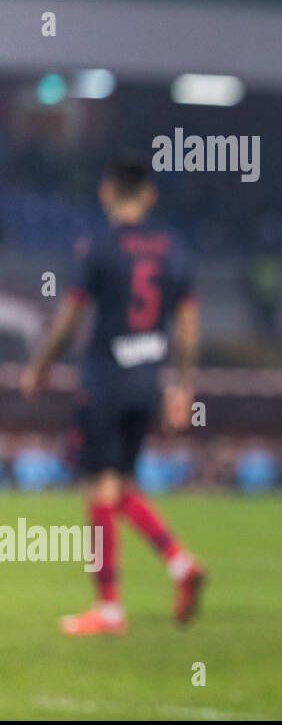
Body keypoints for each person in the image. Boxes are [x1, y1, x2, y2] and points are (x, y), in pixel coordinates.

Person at [22, 157, 204, 635]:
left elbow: (72, 315)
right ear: (149, 195)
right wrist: (182, 386)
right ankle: (180, 564)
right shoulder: (173, 248)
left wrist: (41, 365)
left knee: (98, 490)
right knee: (121, 485)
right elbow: (186, 326)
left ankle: (108, 608)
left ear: (106, 193)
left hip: (103, 380)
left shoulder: (98, 246)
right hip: (148, 384)